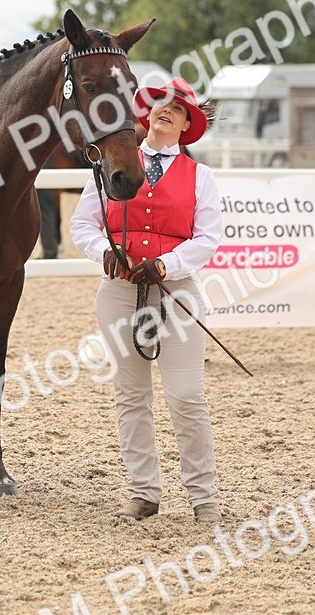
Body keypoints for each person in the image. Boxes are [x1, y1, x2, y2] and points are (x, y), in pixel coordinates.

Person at [70, 77, 223, 525]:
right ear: (147, 114)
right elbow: (84, 225)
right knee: (130, 394)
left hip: (177, 293)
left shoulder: (201, 177)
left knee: (187, 394)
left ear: (186, 125)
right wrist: (106, 255)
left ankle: (203, 496)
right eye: (160, 104)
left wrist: (167, 264)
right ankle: (143, 493)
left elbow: (209, 238)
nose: (166, 111)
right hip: (120, 292)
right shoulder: (115, 166)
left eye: (177, 109)